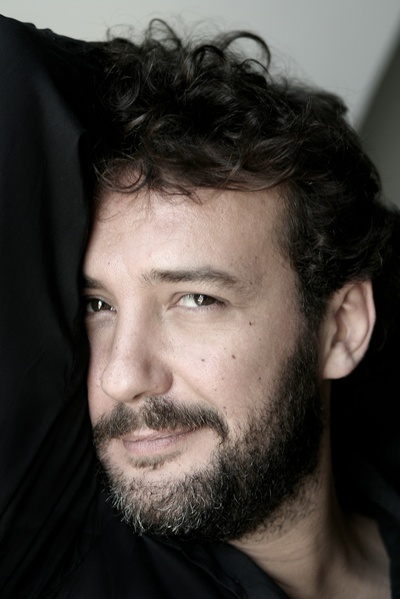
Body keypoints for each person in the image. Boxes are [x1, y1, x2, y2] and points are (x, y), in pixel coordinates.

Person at [1, 15, 399, 599]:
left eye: (195, 299)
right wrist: (147, 86)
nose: (120, 377)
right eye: (98, 304)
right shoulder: (51, 557)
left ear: (341, 328)